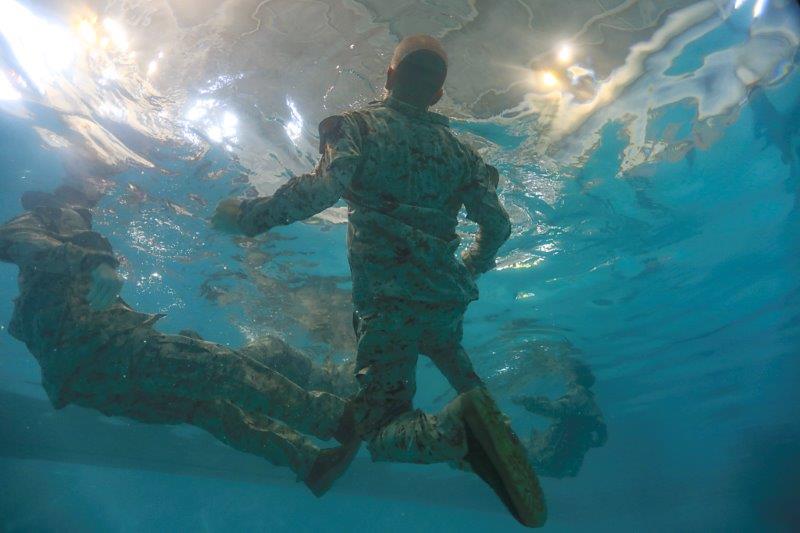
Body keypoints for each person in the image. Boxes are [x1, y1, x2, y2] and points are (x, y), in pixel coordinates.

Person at [212, 34, 545, 526]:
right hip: (445, 298)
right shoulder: (464, 158)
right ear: (437, 95)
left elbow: (327, 187)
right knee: (456, 365)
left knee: (380, 425)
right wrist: (468, 269)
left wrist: (251, 217)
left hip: (388, 305)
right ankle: (496, 438)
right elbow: (498, 226)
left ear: (389, 78)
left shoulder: (358, 128)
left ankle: (458, 436)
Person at [513, 357, 607, 478]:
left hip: (546, 459)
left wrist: (525, 400)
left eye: (567, 372)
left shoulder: (577, 396)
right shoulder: (593, 406)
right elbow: (601, 439)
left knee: (508, 437)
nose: (565, 376)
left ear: (573, 375)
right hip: (565, 467)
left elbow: (552, 410)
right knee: (528, 440)